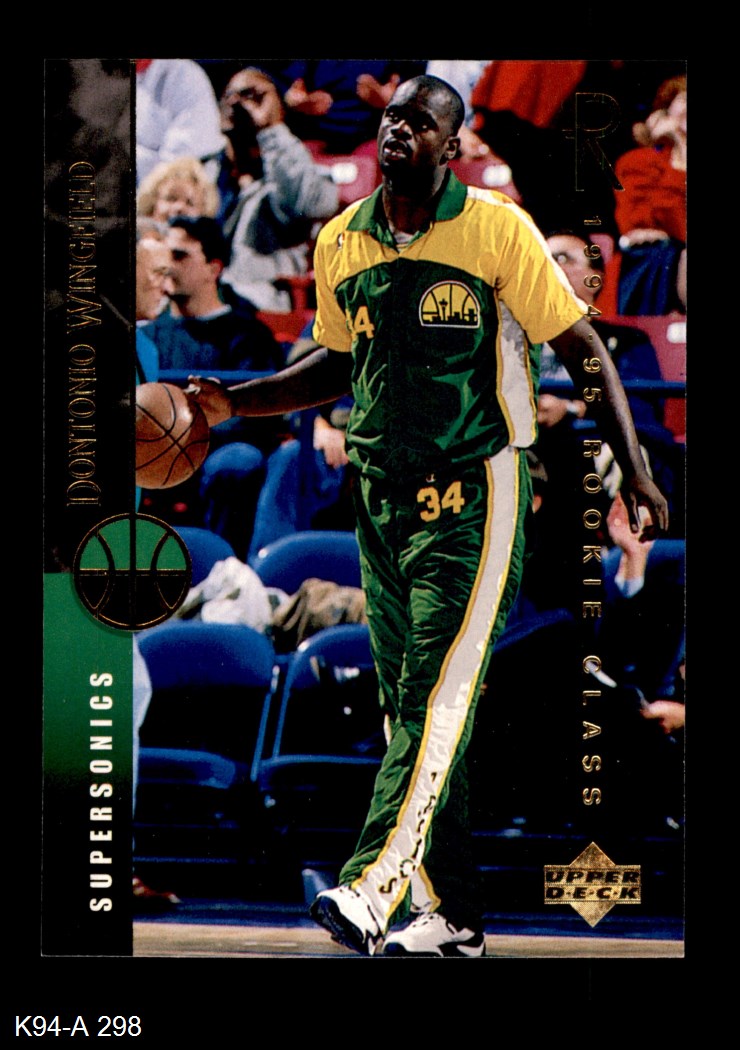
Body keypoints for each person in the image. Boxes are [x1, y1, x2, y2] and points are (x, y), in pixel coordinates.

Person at [189, 75, 668, 958]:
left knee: (439, 696)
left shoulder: (496, 228)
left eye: (420, 121)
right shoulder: (342, 237)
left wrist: (633, 469)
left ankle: (376, 888)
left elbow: (583, 348)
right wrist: (238, 402)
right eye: (390, 117)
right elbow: (337, 363)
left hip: (476, 489)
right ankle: (453, 917)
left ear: (452, 145)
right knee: (407, 706)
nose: (398, 130)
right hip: (381, 497)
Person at [213, 67, 339, 311]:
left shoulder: (300, 168)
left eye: (250, 95)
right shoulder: (212, 172)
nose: (238, 104)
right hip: (212, 299)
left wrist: (269, 128)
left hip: (262, 302)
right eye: (229, 96)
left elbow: (310, 205)